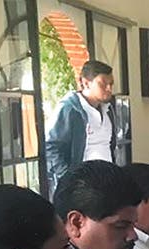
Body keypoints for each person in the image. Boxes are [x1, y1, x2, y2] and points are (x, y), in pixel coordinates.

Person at [45, 60, 117, 188]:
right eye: (103, 84)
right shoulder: (70, 109)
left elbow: (110, 146)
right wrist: (68, 179)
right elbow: (51, 147)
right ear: (86, 83)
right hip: (82, 186)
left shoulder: (108, 109)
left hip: (107, 182)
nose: (109, 89)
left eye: (111, 84)